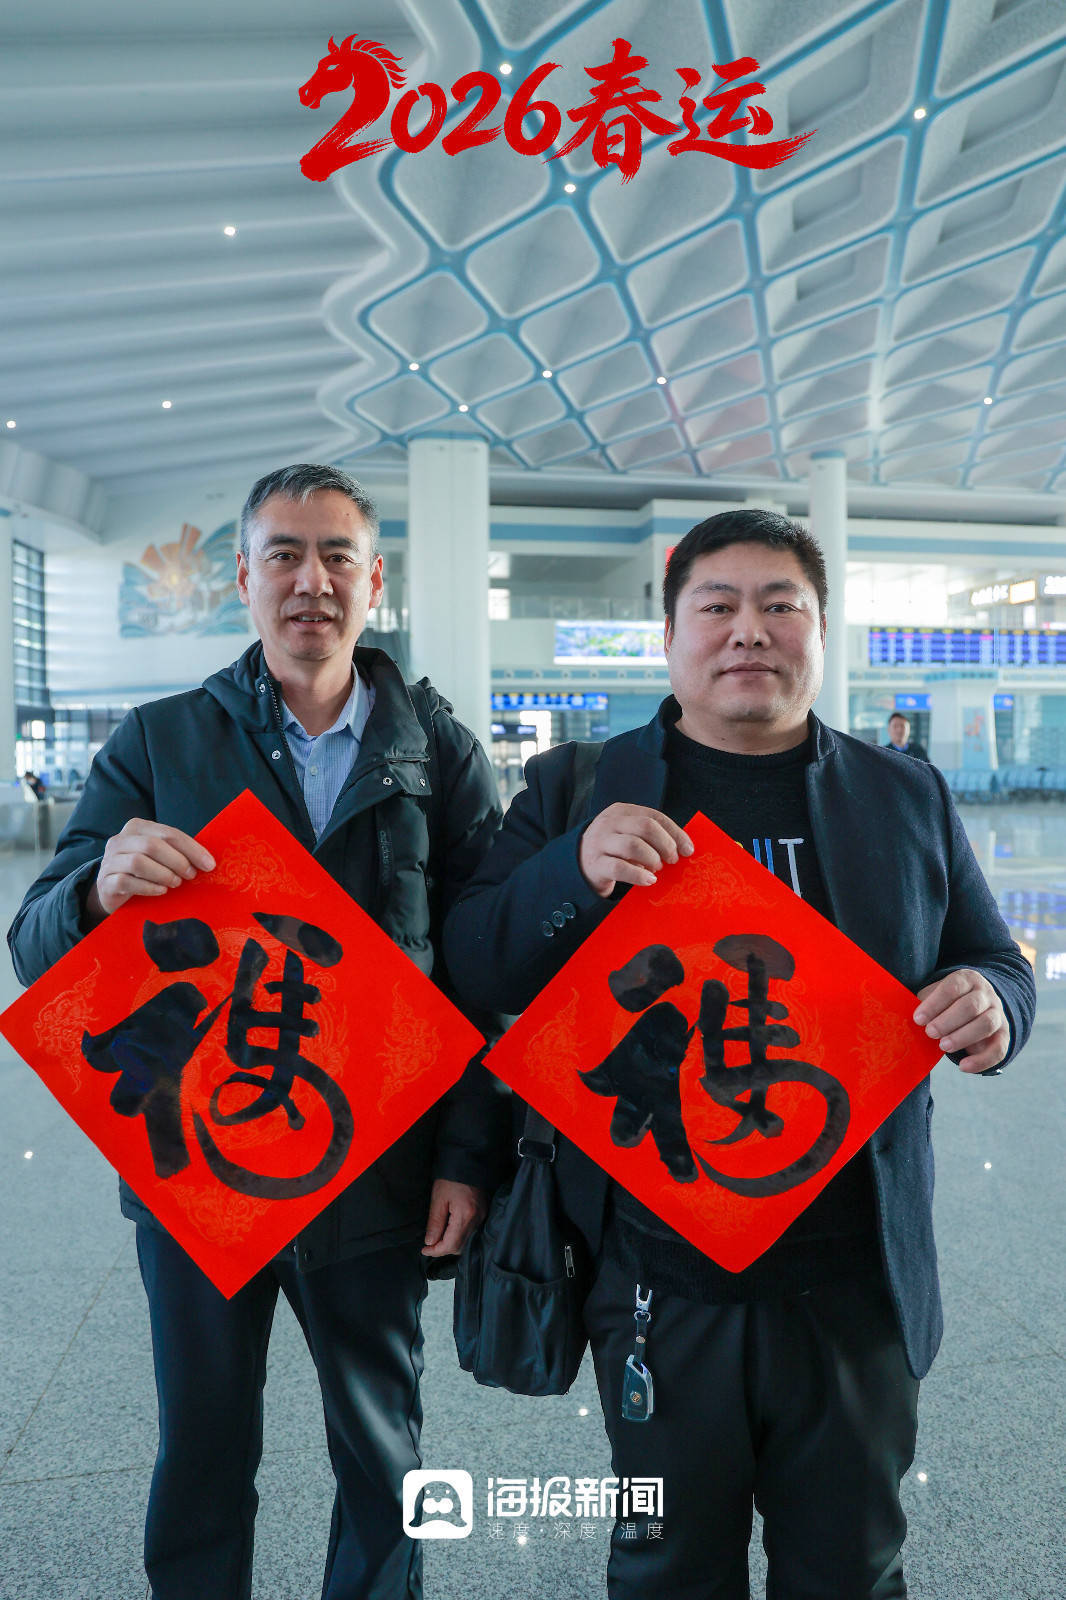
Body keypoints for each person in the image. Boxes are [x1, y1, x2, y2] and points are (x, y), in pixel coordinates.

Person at [442, 509, 1035, 1600]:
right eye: (717, 605)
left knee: (852, 1570)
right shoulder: (579, 786)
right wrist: (572, 869)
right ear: (671, 637)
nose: (748, 630)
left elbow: (994, 958)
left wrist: (995, 1004)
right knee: (667, 1569)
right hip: (657, 1287)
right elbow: (474, 965)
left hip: (854, 1283)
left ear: (821, 632)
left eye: (780, 605)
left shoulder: (903, 793)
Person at [8, 463, 507, 1600]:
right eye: (284, 554)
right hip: (196, 1172)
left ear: (374, 581)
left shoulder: (437, 752)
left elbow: (483, 975)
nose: (310, 580)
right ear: (242, 578)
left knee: (384, 1458)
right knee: (202, 1446)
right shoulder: (161, 741)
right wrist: (95, 893)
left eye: (337, 556)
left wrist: (468, 1158)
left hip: (376, 1170)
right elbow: (33, 944)